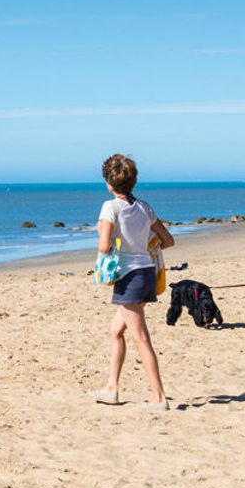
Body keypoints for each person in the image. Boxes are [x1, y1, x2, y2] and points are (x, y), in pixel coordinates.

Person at [90, 153, 174, 410]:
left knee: (141, 338)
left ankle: (159, 397)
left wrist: (103, 231)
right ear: (133, 181)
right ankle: (111, 388)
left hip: (129, 276)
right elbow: (168, 240)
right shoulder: (144, 207)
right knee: (115, 330)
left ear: (109, 183)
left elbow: (104, 247)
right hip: (147, 272)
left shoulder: (110, 207)